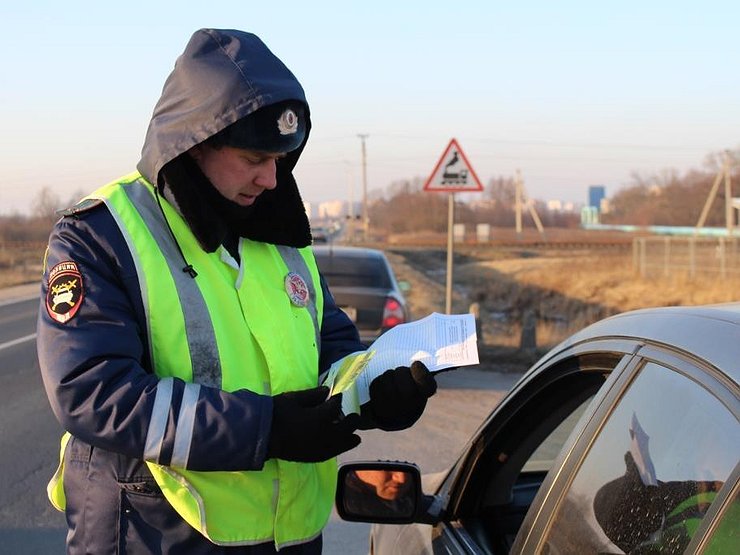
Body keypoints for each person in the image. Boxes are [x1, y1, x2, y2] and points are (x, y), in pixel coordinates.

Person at [37, 28, 437, 554]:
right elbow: (92, 391)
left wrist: (374, 391)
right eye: (254, 159)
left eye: (281, 159)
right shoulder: (103, 233)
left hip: (288, 534)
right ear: (195, 144)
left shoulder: (278, 231)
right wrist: (267, 431)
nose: (272, 180)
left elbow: (329, 344)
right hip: (156, 533)